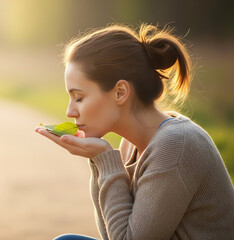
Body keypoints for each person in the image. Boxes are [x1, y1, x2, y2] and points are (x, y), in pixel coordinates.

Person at [34, 24, 234, 240]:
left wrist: (104, 160)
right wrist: (98, 162)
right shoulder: (131, 145)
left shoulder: (175, 145)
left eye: (79, 98)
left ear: (120, 92)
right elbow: (113, 234)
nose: (69, 111)